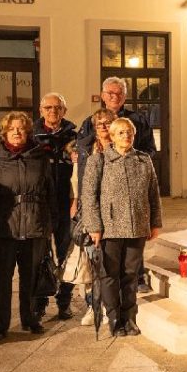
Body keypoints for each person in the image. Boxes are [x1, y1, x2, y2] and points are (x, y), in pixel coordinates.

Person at [0, 112, 58, 340]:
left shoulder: (40, 156)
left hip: (35, 224)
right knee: (3, 279)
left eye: (21, 129)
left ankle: (30, 318)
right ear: (4, 133)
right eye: (11, 129)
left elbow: (49, 191)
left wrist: (50, 223)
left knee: (31, 276)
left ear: (28, 132)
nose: (16, 132)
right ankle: (1, 325)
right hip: (5, 227)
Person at [82, 117, 163, 336]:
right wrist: (94, 226)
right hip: (110, 227)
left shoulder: (143, 160)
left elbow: (153, 194)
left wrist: (155, 222)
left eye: (129, 132)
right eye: (120, 133)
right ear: (112, 136)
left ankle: (130, 318)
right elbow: (89, 196)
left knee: (130, 273)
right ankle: (115, 319)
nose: (125, 136)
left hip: (137, 225)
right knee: (110, 274)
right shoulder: (99, 161)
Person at [34, 92, 78, 320]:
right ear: (41, 110)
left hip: (65, 204)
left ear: (64, 111)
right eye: (48, 107)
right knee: (40, 255)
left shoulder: (74, 136)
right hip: (39, 206)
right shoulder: (32, 136)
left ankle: (64, 300)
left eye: (57, 107)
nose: (53, 111)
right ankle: (39, 303)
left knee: (66, 254)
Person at [74, 110, 117, 326]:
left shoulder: (120, 147)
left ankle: (111, 306)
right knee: (91, 261)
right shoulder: (85, 148)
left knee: (110, 263)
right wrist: (75, 204)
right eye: (99, 123)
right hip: (90, 210)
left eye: (107, 123)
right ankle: (93, 306)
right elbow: (77, 179)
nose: (103, 126)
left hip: (115, 213)